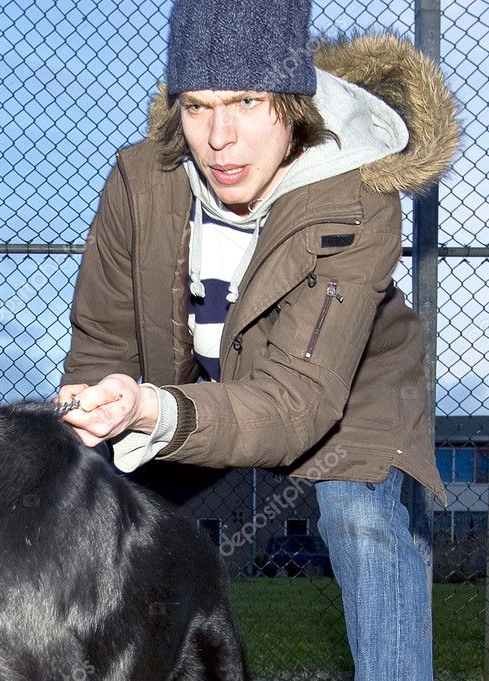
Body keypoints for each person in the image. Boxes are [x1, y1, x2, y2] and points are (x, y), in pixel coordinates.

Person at [57, 1, 460, 679]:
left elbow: (296, 403)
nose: (219, 137)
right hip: (190, 387)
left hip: (342, 401)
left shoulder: (358, 196)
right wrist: (94, 413)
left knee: (364, 526)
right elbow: (102, 342)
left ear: (294, 97)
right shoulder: (140, 181)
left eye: (247, 100)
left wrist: (153, 410)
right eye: (197, 105)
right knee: (90, 512)